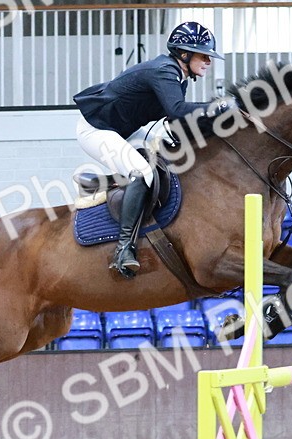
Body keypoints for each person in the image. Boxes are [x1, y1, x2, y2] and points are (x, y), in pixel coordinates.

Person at [73, 22, 225, 278]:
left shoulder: (178, 76)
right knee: (143, 172)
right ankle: (123, 250)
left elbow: (176, 123)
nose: (209, 61)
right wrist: (217, 108)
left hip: (125, 130)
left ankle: (108, 182)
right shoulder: (164, 71)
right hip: (95, 130)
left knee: (165, 157)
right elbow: (177, 111)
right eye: (203, 54)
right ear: (184, 54)